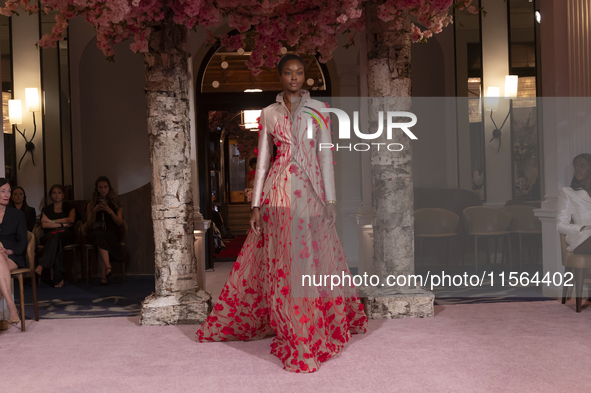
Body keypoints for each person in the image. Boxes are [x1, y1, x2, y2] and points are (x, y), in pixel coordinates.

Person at [197, 54, 367, 373]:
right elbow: (262, 161)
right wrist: (256, 204)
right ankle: (289, 320)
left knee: (308, 257)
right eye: (288, 73)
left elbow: (325, 154)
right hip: (278, 189)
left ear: (306, 77)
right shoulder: (269, 113)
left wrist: (331, 200)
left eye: (299, 72)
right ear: (280, 77)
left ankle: (310, 320)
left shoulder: (319, 111)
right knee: (283, 258)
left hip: (311, 191)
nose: (294, 77)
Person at [86, 176, 124, 285]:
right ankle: (108, 268)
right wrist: (94, 212)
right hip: (96, 231)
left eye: (105, 187)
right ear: (97, 189)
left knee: (101, 240)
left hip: (111, 232)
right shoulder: (91, 204)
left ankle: (104, 275)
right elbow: (89, 225)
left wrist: (109, 211)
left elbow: (119, 222)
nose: (103, 189)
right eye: (100, 187)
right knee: (98, 236)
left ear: (109, 188)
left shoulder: (116, 203)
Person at [36, 184, 75, 288]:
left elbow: (71, 220)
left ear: (63, 195)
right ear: (51, 195)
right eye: (54, 193)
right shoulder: (46, 209)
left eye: (59, 193)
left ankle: (41, 265)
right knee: (55, 240)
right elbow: (44, 224)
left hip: (65, 235)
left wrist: (53, 222)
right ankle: (59, 278)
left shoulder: (69, 207)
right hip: (50, 235)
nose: (57, 195)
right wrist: (62, 224)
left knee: (56, 239)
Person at [0, 178, 27, 325]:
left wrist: (10, 251)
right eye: (3, 191)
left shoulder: (17, 215)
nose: (7, 194)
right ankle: (11, 308)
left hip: (13, 256)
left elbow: (23, 240)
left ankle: (11, 307)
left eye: (9, 191)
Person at [557, 153, 591, 254]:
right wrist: (584, 228)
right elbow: (560, 225)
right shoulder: (567, 192)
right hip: (582, 238)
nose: (578, 170)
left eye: (583, 166)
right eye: (575, 167)